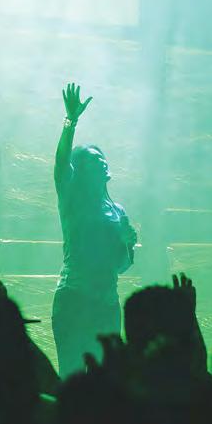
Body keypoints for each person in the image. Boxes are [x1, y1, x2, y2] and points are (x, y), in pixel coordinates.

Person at [51, 83, 137, 376]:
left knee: (108, 382)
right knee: (72, 377)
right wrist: (70, 121)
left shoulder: (118, 211)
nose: (101, 160)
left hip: (107, 305)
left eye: (102, 156)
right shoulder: (72, 199)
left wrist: (126, 243)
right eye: (91, 158)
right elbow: (61, 164)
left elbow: (121, 266)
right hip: (74, 300)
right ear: (80, 170)